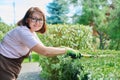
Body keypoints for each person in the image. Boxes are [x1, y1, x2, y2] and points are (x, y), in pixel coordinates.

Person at [0, 7, 80, 80]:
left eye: (40, 19)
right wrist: (66, 50)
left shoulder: (31, 33)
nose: (37, 22)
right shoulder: (23, 32)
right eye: (34, 19)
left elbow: (44, 48)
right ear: (27, 20)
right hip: (3, 64)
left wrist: (62, 49)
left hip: (10, 66)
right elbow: (44, 52)